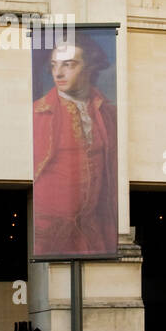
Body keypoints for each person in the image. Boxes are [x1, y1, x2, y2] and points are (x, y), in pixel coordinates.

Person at [32, 35, 118, 257]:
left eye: (68, 65)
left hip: (92, 234)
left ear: (88, 68)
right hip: (48, 239)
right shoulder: (35, 114)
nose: (58, 74)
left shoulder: (108, 113)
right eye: (54, 66)